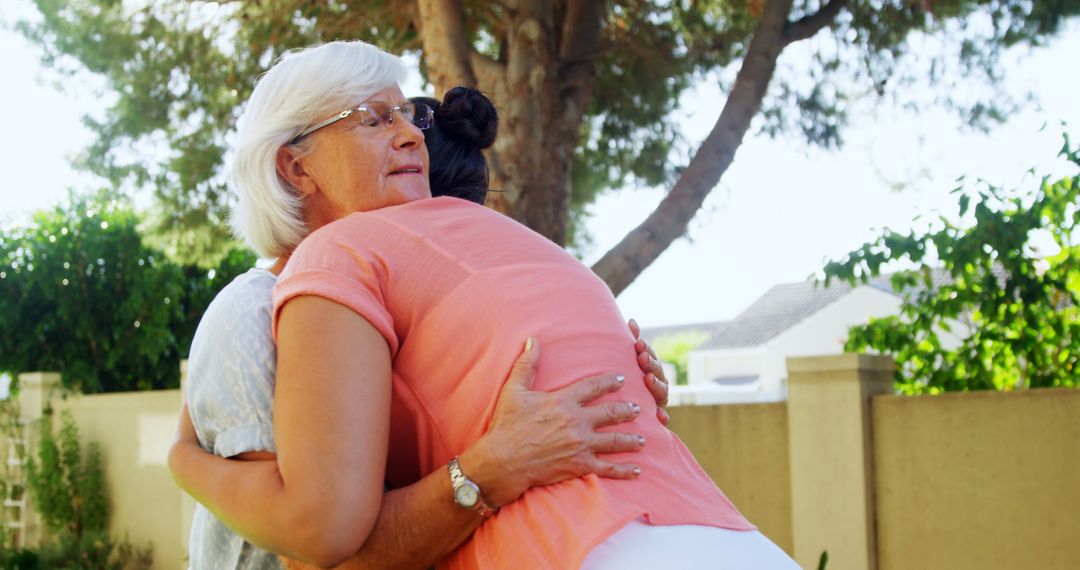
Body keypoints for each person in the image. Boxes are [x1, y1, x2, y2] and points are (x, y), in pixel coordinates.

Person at [171, 40, 798, 569]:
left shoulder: (366, 267)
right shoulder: (254, 309)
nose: (411, 135)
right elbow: (316, 543)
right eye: (372, 118)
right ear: (295, 168)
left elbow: (329, 531)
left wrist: (184, 461)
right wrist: (487, 467)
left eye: (410, 114)